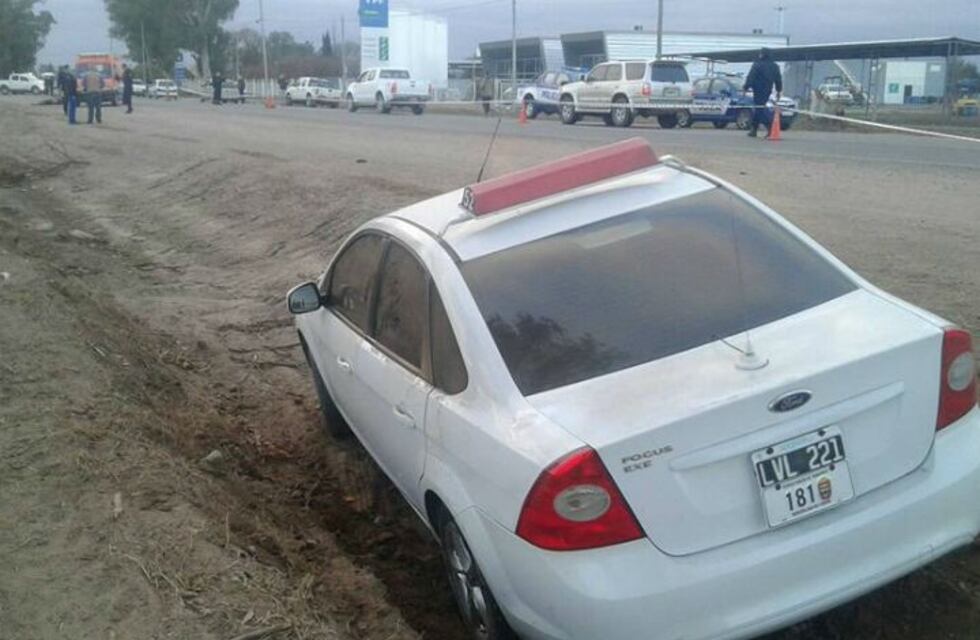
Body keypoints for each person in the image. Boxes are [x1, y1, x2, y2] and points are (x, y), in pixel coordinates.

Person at [743, 48, 782, 138]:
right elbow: (778, 80)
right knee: (759, 108)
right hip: (767, 90)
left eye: (760, 54)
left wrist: (746, 87)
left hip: (758, 89)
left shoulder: (757, 64)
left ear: (763, 55)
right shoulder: (775, 66)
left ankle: (769, 126)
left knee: (759, 109)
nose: (759, 55)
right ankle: (754, 129)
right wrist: (778, 90)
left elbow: (751, 77)